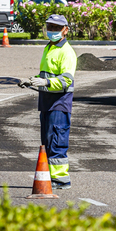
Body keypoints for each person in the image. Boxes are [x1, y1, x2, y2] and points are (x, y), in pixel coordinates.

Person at [18, 14, 77, 189]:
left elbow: (66, 80)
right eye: (50, 27)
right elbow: (46, 75)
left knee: (57, 142)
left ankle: (60, 180)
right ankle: (49, 177)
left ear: (65, 30)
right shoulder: (49, 48)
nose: (52, 31)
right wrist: (32, 80)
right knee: (47, 141)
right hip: (47, 103)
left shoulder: (66, 52)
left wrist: (46, 82)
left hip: (59, 104)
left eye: (56, 28)